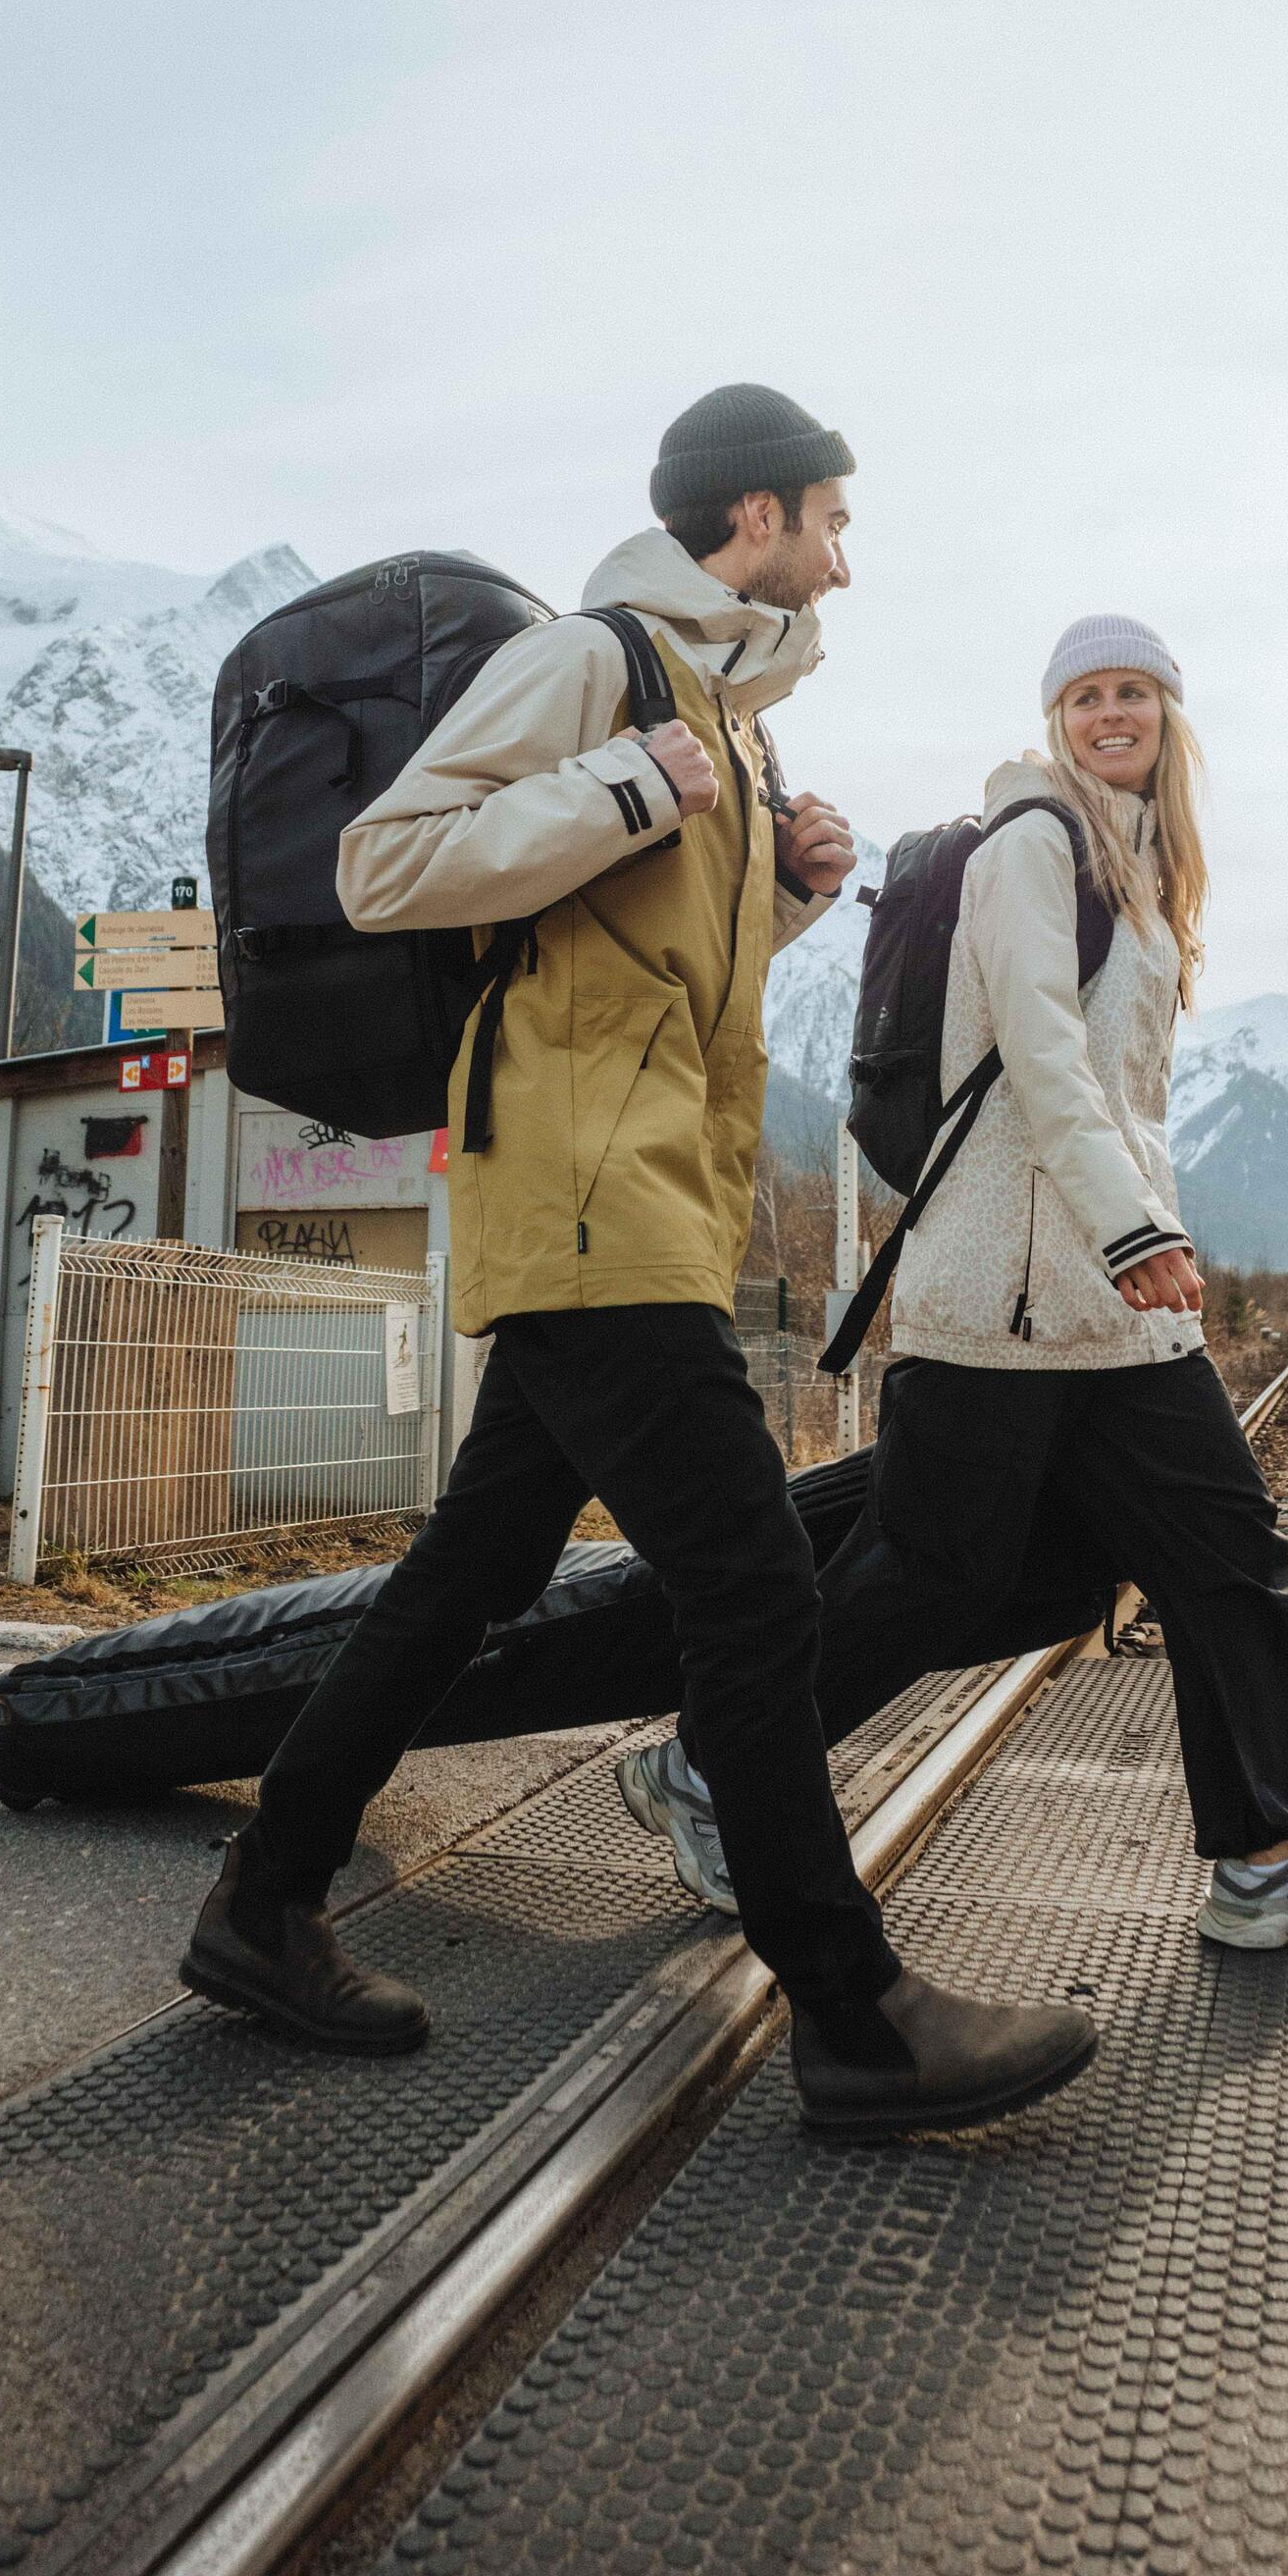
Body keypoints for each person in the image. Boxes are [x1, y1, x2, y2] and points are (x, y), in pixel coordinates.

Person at [179, 385, 1100, 2141]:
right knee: (750, 1590)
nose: (848, 553)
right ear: (750, 522)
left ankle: (263, 1899)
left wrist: (791, 885)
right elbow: (392, 865)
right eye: (833, 517)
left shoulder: (726, 722)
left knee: (473, 1570)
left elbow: (641, 938)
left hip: (639, 1189)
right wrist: (626, 778)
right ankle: (852, 2010)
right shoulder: (606, 665)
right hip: (590, 1193)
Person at [772, 613, 1288, 1958]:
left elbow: (1124, 1096)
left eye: (1133, 691)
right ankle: (723, 1764)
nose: (1109, 713)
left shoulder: (1142, 863)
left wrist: (1138, 1238)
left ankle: (1266, 1863)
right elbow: (1039, 1051)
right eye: (1085, 696)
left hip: (1114, 1309)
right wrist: (1137, 1232)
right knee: (933, 1580)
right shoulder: (1035, 845)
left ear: (1170, 716)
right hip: (1014, 1295)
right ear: (1055, 718)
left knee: (1229, 1560)